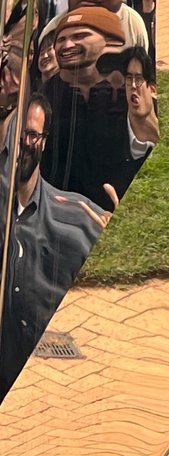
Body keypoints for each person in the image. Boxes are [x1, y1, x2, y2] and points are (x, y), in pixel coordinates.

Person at [0, 94, 111, 397]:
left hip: (43, 388)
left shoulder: (72, 214)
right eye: (16, 134)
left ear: (44, 141)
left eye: (32, 134)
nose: (23, 143)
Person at [39, 6, 149, 205]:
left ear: (112, 41)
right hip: (54, 210)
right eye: (61, 39)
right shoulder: (47, 94)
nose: (67, 45)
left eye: (80, 36)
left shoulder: (132, 90)